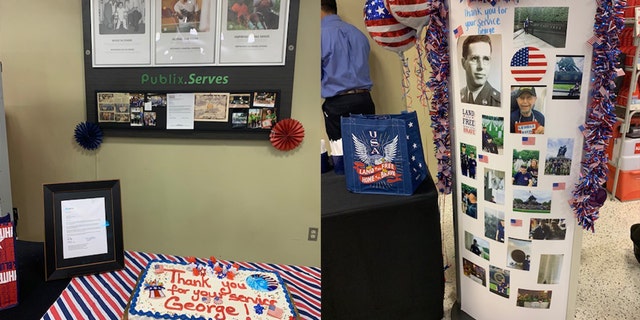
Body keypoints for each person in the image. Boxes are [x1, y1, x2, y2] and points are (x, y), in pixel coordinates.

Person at [321, 0, 375, 174]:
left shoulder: (319, 35)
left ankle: (349, 195)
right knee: (368, 156)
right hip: (365, 100)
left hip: (338, 104)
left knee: (342, 161)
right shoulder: (358, 34)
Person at [460, 35, 500, 107]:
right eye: (474, 58)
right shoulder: (458, 96)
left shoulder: (498, 102)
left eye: (486, 59)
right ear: (463, 63)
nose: (481, 66)